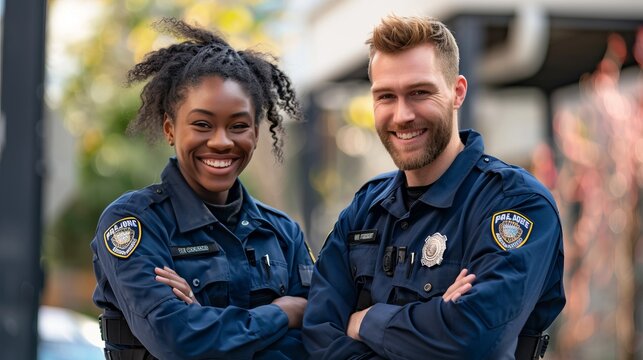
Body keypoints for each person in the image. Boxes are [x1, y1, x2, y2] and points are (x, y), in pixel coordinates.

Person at [302, 15, 565, 360]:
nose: (401, 115)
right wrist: (435, 320)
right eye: (385, 97)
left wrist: (367, 321)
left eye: (419, 92)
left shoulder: (516, 205)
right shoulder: (364, 211)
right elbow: (318, 334)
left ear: (457, 92)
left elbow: (472, 340)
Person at [91, 18, 314, 359]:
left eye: (238, 125)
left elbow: (316, 342)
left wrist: (205, 326)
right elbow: (178, 341)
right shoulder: (133, 224)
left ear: (255, 133)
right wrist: (283, 313)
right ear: (170, 129)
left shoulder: (283, 234)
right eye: (202, 124)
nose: (221, 141)